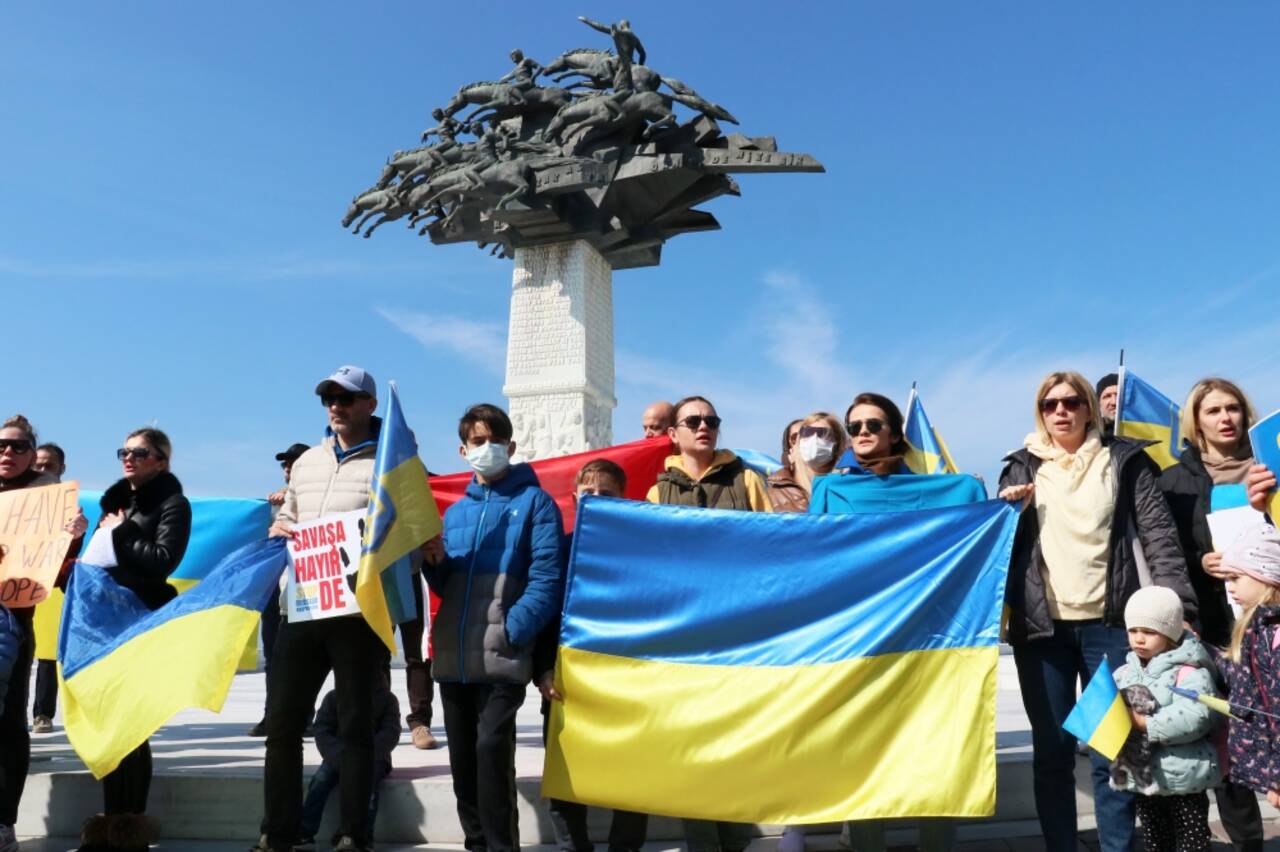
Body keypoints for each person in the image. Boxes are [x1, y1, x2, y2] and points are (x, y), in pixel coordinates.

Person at [998, 371, 1195, 852]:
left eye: (1070, 401)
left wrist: (1178, 609)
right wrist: (1006, 517)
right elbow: (994, 552)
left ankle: (1117, 848)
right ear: (1040, 413)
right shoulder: (1020, 468)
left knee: (1113, 749)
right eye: (1049, 404)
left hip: (1112, 629)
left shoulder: (1125, 460)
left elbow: (1160, 538)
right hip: (1041, 631)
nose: (1060, 411)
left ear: (1089, 407)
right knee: (1052, 752)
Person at [254, 366, 391, 852]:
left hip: (357, 611)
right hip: (303, 604)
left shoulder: (392, 461)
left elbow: (406, 530)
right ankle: (278, 832)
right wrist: (280, 528)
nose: (336, 406)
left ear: (370, 405)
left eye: (346, 398)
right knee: (284, 726)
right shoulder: (308, 461)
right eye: (329, 398)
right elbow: (289, 515)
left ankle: (354, 831)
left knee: (355, 726)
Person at [421, 403, 564, 852]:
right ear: (463, 451)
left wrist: (511, 630)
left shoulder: (535, 503)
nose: (487, 448)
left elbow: (546, 579)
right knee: (463, 767)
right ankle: (476, 843)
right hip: (453, 657)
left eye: (494, 440)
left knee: (490, 756)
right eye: (477, 442)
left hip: (501, 653)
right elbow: (447, 584)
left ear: (511, 446)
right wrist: (434, 561)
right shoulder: (456, 512)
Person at [647, 396, 769, 852]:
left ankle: (735, 840)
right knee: (690, 747)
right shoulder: (657, 493)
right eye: (693, 421)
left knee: (737, 744)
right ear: (674, 433)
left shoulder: (749, 480)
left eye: (711, 420)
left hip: (740, 635)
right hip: (686, 639)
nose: (704, 427)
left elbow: (773, 546)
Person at [1157, 379, 1265, 850]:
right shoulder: (1174, 481)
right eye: (1213, 411)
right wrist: (1201, 560)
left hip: (1272, 626)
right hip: (1216, 628)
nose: (1226, 418)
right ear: (1195, 423)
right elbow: (1165, 551)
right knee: (1225, 745)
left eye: (1233, 408)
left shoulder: (1271, 467)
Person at [78, 427, 191, 852]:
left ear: (161, 460)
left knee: (133, 726)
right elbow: (95, 566)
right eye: (123, 451)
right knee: (109, 724)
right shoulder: (113, 509)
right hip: (104, 624)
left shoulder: (173, 504)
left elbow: (162, 562)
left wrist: (123, 532)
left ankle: (131, 827)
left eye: (139, 452)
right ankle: (108, 823)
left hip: (142, 619)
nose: (128, 457)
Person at [535, 459, 648, 852]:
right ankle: (573, 847)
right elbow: (543, 615)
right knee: (566, 778)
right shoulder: (559, 550)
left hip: (629, 683)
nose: (598, 499)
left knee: (632, 775)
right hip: (567, 684)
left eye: (608, 494)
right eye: (590, 493)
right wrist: (542, 670)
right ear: (575, 498)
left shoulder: (644, 554)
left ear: (624, 499)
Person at [0, 417, 85, 852]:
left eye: (17, 447)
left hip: (11, 622)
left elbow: (57, 574)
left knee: (9, 726)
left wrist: (71, 541)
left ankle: (3, 823)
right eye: (1, 446)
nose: (7, 453)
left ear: (33, 455)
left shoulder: (46, 502)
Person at [1111, 586, 1221, 852]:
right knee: (1155, 841)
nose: (1139, 639)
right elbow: (1106, 712)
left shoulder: (1190, 671)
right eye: (1133, 630)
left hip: (1184, 778)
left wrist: (1146, 724)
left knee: (1191, 843)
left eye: (1149, 632)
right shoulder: (1125, 672)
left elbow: (1197, 717)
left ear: (1170, 633)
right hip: (1144, 779)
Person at [250, 442, 311, 738]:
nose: (288, 468)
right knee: (274, 655)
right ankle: (272, 714)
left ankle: (304, 715)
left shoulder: (315, 496)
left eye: (294, 462)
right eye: (285, 464)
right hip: (276, 587)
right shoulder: (270, 506)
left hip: (307, 586)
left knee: (305, 658)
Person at [1217, 524, 1280, 809]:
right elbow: (1242, 677)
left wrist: (1277, 776)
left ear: (1266, 575)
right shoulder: (1255, 628)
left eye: (1235, 577)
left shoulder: (1272, 636)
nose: (1228, 587)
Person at [297, 676, 400, 848]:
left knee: (369, 789)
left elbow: (391, 732)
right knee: (320, 781)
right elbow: (322, 729)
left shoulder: (388, 700)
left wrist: (364, 756)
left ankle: (363, 836)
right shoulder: (333, 697)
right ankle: (305, 830)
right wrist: (340, 757)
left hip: (373, 758)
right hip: (338, 757)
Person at [30, 442, 68, 735]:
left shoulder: (71, 505)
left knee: (47, 651)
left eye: (49, 465)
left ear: (61, 469)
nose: (43, 470)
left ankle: (43, 713)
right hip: (14, 587)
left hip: (53, 587)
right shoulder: (13, 499)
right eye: (38, 465)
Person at [768, 414, 845, 514]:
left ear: (837, 443)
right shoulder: (775, 489)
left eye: (823, 433)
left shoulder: (847, 485)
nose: (814, 439)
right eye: (807, 432)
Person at [842, 393, 911, 475]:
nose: (863, 431)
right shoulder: (829, 486)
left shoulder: (918, 486)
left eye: (873, 425)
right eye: (855, 427)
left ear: (895, 436)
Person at [1097, 373, 1119, 438]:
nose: (1114, 402)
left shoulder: (1142, 433)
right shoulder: (1088, 436)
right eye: (1107, 396)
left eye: (1118, 395)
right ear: (1098, 403)